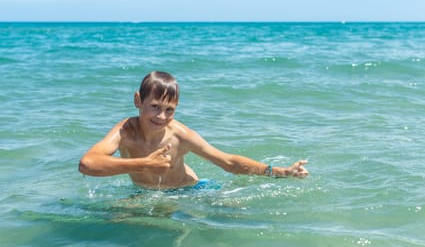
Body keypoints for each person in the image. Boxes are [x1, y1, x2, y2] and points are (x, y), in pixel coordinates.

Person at [79, 71, 309, 189]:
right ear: (138, 100)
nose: (161, 116)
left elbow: (227, 162)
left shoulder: (180, 135)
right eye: (154, 107)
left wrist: (279, 172)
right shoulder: (125, 131)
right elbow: (87, 164)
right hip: (144, 194)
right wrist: (145, 164)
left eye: (169, 110)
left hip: (190, 191)